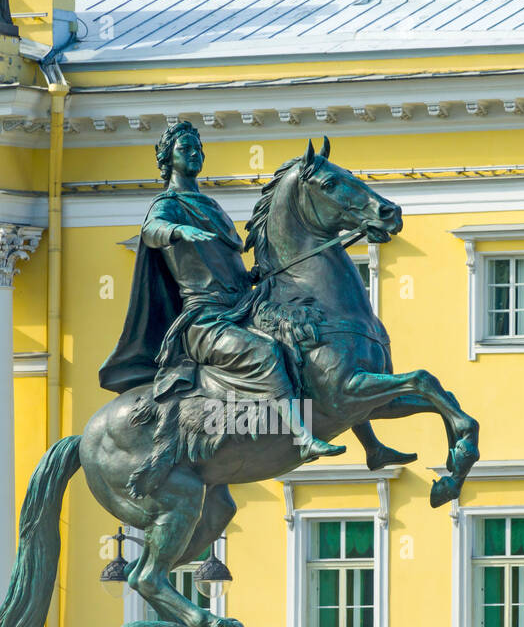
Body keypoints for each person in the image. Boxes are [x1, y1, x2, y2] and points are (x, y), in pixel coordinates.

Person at [100, 120, 344, 462]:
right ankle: (302, 437)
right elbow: (150, 229)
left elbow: (227, 264)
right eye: (185, 148)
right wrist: (175, 230)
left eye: (198, 148)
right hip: (204, 321)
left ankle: (368, 438)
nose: (195, 154)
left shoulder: (212, 207)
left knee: (309, 341)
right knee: (265, 352)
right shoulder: (168, 204)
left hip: (240, 307)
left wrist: (255, 275)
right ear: (167, 158)